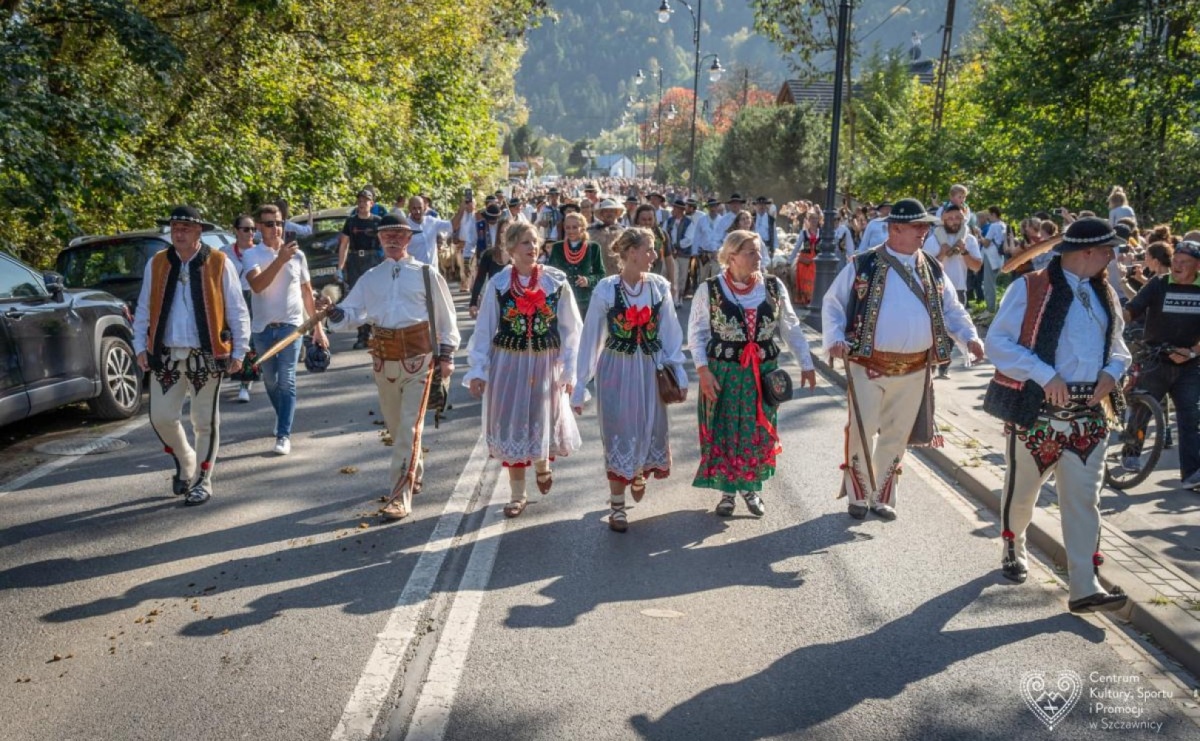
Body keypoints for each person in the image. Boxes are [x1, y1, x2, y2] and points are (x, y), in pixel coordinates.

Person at [984, 217, 1132, 612]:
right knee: (1022, 492)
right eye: (1108, 250)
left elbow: (1120, 347)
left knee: (1084, 500)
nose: (1112, 257)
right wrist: (1043, 374)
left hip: (1089, 416)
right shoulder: (1029, 287)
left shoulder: (1106, 294)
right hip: (1039, 414)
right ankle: (1014, 544)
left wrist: (1112, 373)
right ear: (1088, 252)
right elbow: (997, 343)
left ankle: (1084, 585)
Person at [822, 199, 984, 521]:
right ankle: (858, 494)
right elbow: (833, 304)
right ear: (895, 228)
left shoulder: (932, 267)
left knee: (896, 435)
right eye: (917, 226)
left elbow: (952, 309)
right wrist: (835, 339)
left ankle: (882, 496)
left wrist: (970, 337)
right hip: (867, 364)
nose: (924, 232)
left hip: (914, 368)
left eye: (925, 226)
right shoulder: (863, 264)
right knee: (862, 429)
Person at [321, 214, 459, 520]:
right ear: (380, 239)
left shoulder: (427, 274)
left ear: (409, 238)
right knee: (398, 430)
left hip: (420, 361)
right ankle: (414, 470)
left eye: (399, 234)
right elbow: (350, 315)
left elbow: (447, 318)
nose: (393, 239)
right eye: (387, 235)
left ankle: (400, 495)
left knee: (409, 428)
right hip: (384, 362)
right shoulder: (370, 277)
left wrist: (447, 356)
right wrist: (331, 312)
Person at [689, 229, 817, 517]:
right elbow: (697, 334)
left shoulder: (773, 286)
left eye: (759, 251)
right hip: (724, 372)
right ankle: (727, 493)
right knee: (724, 429)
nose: (759, 257)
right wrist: (703, 370)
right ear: (732, 256)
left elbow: (790, 327)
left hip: (762, 373)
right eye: (751, 252)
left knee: (756, 430)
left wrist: (806, 363)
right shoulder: (709, 289)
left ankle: (750, 488)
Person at [572, 227, 688, 532]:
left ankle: (637, 471)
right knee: (618, 430)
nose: (654, 255)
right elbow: (591, 338)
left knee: (649, 425)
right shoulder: (607, 289)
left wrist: (678, 370)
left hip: (650, 368)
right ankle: (617, 505)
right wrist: (580, 383)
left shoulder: (658, 286)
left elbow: (670, 333)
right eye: (649, 249)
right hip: (616, 368)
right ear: (632, 252)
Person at [133, 206, 250, 506]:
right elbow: (144, 307)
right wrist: (139, 346)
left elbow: (237, 309)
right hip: (166, 354)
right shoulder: (157, 263)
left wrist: (240, 350)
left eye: (185, 228)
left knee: (204, 421)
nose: (179, 233)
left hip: (206, 355)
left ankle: (202, 479)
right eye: (175, 227)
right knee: (161, 417)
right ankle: (186, 459)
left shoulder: (219, 262)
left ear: (199, 231)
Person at [465, 222, 583, 518]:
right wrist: (478, 370)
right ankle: (518, 494)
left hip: (545, 362)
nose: (532, 248)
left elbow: (572, 329)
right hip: (509, 363)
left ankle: (542, 464)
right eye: (525, 243)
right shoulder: (499, 284)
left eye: (535, 242)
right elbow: (484, 329)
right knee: (513, 422)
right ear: (510, 249)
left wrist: (570, 370)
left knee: (542, 416)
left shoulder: (555, 281)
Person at [242, 204, 328, 455]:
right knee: (270, 380)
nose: (276, 228)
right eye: (269, 224)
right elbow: (257, 285)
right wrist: (279, 260)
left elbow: (307, 294)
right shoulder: (252, 254)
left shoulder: (298, 256)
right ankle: (282, 417)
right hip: (262, 328)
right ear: (260, 227)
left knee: (287, 379)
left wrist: (318, 328)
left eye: (279, 223)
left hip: (291, 326)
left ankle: (283, 435)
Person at [1122, 239, 1200, 489]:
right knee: (1142, 411)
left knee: (1190, 418)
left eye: (1184, 262)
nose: (1177, 265)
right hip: (1155, 357)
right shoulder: (1159, 283)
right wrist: (1116, 319)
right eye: (1175, 260)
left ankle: (1192, 474)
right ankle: (1131, 453)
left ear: (1197, 266)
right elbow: (1133, 308)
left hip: (1189, 364)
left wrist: (1191, 352)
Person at [922, 203, 982, 378]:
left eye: (957, 218)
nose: (954, 221)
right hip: (935, 289)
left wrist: (964, 252)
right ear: (943, 219)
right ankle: (932, 362)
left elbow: (976, 266)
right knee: (934, 329)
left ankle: (943, 365)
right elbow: (923, 266)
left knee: (953, 329)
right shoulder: (933, 240)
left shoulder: (969, 239)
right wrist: (942, 253)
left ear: (963, 218)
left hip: (959, 289)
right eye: (950, 218)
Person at [337, 187, 383, 349]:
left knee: (375, 297)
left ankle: (377, 335)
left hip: (373, 260)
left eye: (366, 201)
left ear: (372, 204)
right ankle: (362, 336)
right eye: (360, 201)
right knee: (359, 299)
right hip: (355, 260)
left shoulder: (378, 221)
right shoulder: (351, 222)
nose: (362, 204)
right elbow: (344, 244)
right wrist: (340, 267)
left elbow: (385, 242)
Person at [222, 214, 259, 403]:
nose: (250, 233)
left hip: (253, 296)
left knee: (249, 339)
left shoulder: (259, 251)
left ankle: (245, 383)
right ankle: (232, 370)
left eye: (253, 229)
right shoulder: (225, 253)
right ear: (236, 231)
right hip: (230, 298)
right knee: (232, 338)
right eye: (246, 229)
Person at [546, 211, 605, 319]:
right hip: (563, 301)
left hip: (585, 302)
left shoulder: (593, 247)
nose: (571, 231)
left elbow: (601, 274)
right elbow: (550, 273)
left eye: (575, 227)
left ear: (582, 228)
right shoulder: (557, 248)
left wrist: (588, 280)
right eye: (568, 227)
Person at [468, 204, 511, 319]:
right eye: (502, 232)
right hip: (493, 299)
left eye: (507, 233)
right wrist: (473, 303)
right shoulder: (479, 227)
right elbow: (480, 279)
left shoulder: (518, 256)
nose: (504, 236)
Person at [665, 198, 695, 308]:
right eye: (673, 207)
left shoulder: (688, 222)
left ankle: (680, 297)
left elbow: (689, 239)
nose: (673, 210)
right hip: (671, 254)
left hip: (683, 254)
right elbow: (665, 235)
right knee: (674, 275)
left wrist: (677, 246)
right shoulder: (669, 221)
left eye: (675, 208)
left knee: (682, 277)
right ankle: (675, 299)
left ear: (681, 210)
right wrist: (670, 247)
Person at [634, 203, 674, 284]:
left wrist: (673, 283)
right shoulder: (632, 235)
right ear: (637, 220)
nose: (647, 222)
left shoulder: (662, 235)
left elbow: (669, 259)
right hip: (635, 280)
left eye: (650, 219)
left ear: (654, 219)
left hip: (656, 279)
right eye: (644, 219)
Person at [790, 210, 821, 305]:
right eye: (812, 219)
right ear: (809, 220)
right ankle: (805, 298)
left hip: (816, 259)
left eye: (816, 219)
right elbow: (797, 246)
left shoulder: (822, 233)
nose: (814, 221)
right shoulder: (804, 233)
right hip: (805, 259)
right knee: (804, 279)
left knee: (814, 278)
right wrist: (790, 260)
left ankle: (812, 298)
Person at [588, 198, 626, 276]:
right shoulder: (592, 231)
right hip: (598, 271)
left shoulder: (624, 231)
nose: (609, 213)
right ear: (602, 214)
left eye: (612, 211)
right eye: (606, 211)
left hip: (618, 271)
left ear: (616, 212)